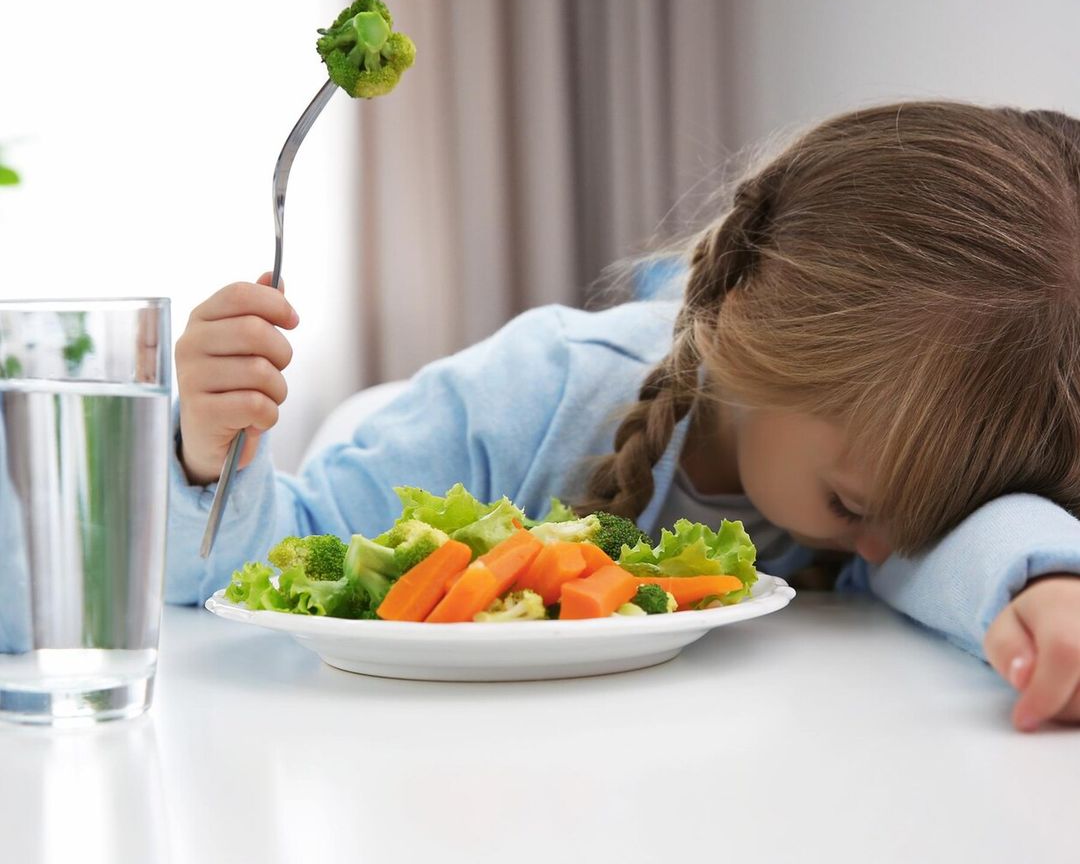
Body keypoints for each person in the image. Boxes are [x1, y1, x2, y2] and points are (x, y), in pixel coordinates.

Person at [167, 100, 1080, 731]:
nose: (876, 550)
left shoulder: (887, 484)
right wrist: (208, 457)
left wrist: (1039, 581)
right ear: (767, 348)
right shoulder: (537, 394)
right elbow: (250, 581)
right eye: (851, 507)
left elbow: (925, 560)